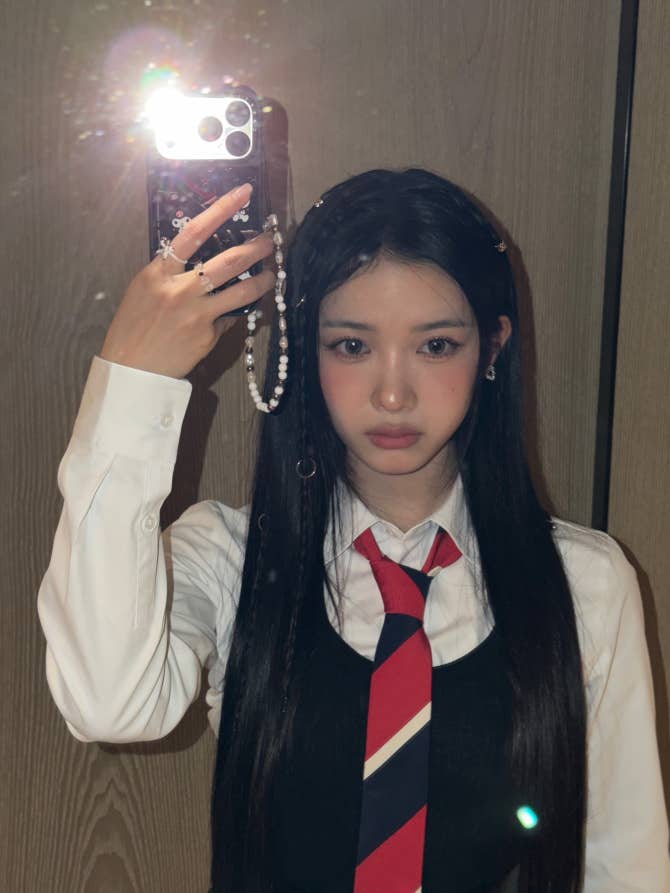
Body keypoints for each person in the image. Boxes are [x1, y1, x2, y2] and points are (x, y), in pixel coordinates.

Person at [38, 168, 669, 893]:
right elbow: (109, 702)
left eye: (436, 346)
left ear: (493, 347)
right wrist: (132, 381)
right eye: (351, 346)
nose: (392, 394)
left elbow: (624, 867)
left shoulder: (585, 583)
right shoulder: (230, 558)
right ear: (306, 351)